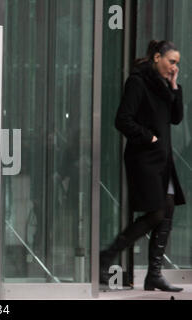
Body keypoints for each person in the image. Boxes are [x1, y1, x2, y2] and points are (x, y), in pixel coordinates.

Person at [100, 40, 186, 292]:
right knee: (157, 212)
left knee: (167, 208)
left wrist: (174, 86)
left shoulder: (163, 84)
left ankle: (154, 275)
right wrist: (148, 136)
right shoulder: (137, 82)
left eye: (177, 63)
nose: (174, 67)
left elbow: (177, 118)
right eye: (171, 61)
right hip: (144, 158)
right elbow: (122, 119)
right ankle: (107, 256)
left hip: (163, 159)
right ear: (157, 57)